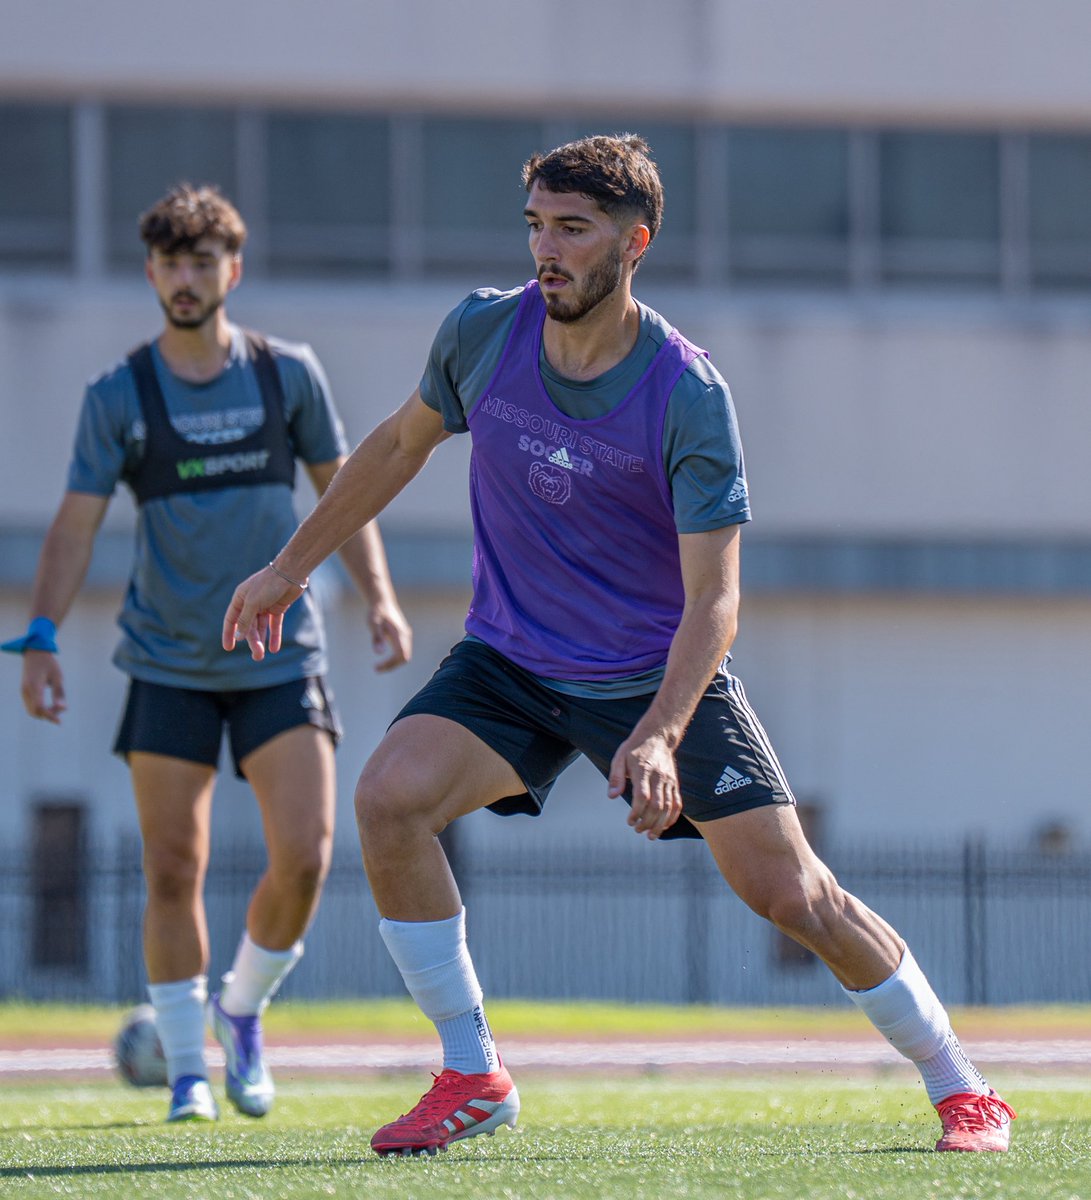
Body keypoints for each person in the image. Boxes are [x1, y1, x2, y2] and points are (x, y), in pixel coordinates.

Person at [222, 135, 1015, 1156]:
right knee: (388, 800)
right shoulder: (481, 332)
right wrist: (288, 567)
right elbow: (395, 446)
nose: (545, 251)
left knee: (792, 896)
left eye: (572, 229)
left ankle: (961, 1087)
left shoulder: (686, 391)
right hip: (510, 662)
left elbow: (715, 598)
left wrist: (658, 732)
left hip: (651, 673)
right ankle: (471, 1072)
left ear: (633, 243)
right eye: (535, 227)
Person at [4, 184, 411, 1124]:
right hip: (168, 664)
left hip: (279, 658)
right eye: (169, 263)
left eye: (202, 261)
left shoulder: (285, 376)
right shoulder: (119, 394)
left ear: (234, 269)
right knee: (171, 869)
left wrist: (382, 599)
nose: (184, 279)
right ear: (151, 273)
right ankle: (188, 1070)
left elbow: (345, 492)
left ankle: (243, 1010)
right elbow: (73, 526)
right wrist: (41, 636)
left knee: (305, 858)